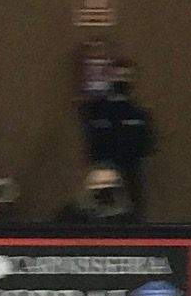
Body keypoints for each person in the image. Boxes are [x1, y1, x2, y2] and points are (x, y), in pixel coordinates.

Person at [78, 57, 156, 219]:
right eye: (117, 75)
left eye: (125, 75)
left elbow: (147, 144)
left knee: (130, 213)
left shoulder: (137, 114)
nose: (121, 79)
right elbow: (93, 143)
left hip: (129, 173)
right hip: (103, 171)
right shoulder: (98, 113)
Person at [54, 165, 137, 224]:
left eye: (109, 184)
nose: (103, 190)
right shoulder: (70, 217)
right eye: (97, 184)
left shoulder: (129, 219)